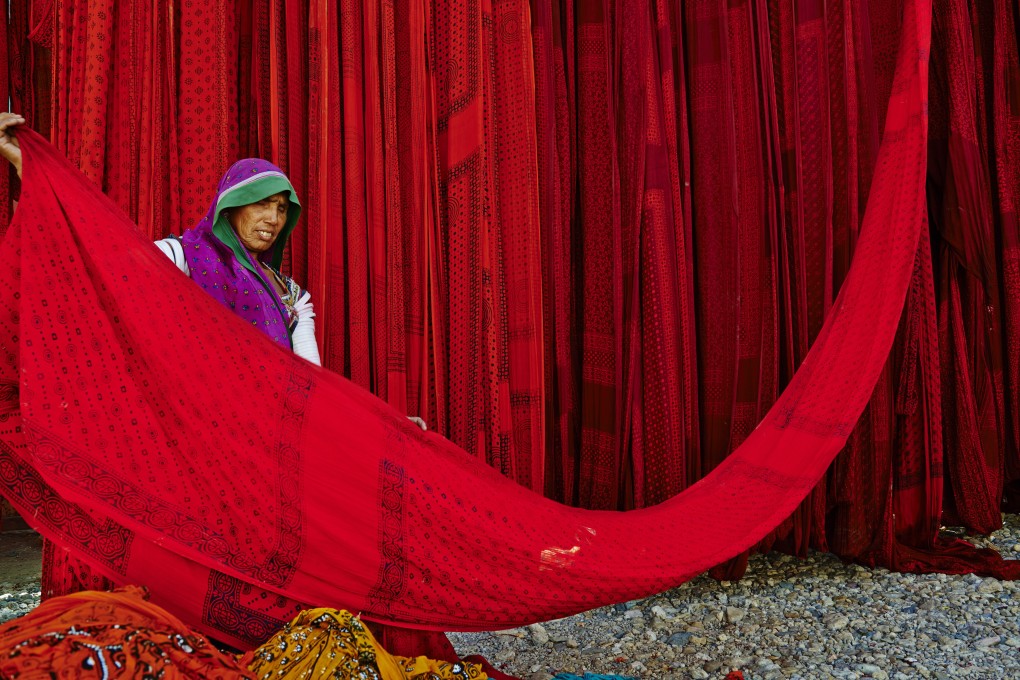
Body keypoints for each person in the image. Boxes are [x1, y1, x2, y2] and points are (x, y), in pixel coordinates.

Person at [0, 112, 427, 427]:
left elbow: (312, 382)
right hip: (197, 428)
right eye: (262, 203)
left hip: (269, 432)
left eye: (281, 209)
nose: (274, 219)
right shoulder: (181, 257)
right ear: (231, 207)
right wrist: (29, 167)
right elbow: (105, 251)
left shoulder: (290, 297)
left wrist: (378, 427)